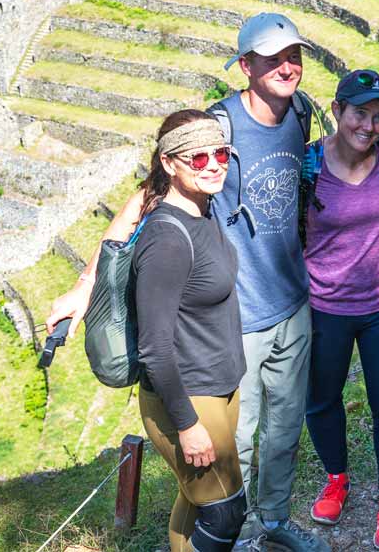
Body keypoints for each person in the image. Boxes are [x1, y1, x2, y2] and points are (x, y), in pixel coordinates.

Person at [48, 13, 330, 551]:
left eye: (293, 55)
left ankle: (272, 523)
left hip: (292, 299)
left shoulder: (300, 114)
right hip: (235, 316)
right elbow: (144, 199)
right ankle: (237, 535)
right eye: (271, 58)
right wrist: (86, 287)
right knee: (231, 451)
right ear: (245, 66)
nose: (286, 67)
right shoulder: (216, 126)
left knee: (285, 430)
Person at [301, 70, 379, 551]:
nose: (369, 126)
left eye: (378, 116)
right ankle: (336, 478)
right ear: (337, 110)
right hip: (325, 304)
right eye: (359, 114)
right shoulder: (306, 164)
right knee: (322, 399)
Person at [132, 110, 248, 551]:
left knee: (196, 499)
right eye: (197, 158)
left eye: (220, 153)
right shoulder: (166, 239)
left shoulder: (205, 208)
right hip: (188, 398)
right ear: (168, 164)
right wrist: (187, 424)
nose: (214, 164)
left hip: (218, 386)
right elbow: (155, 348)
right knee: (224, 512)